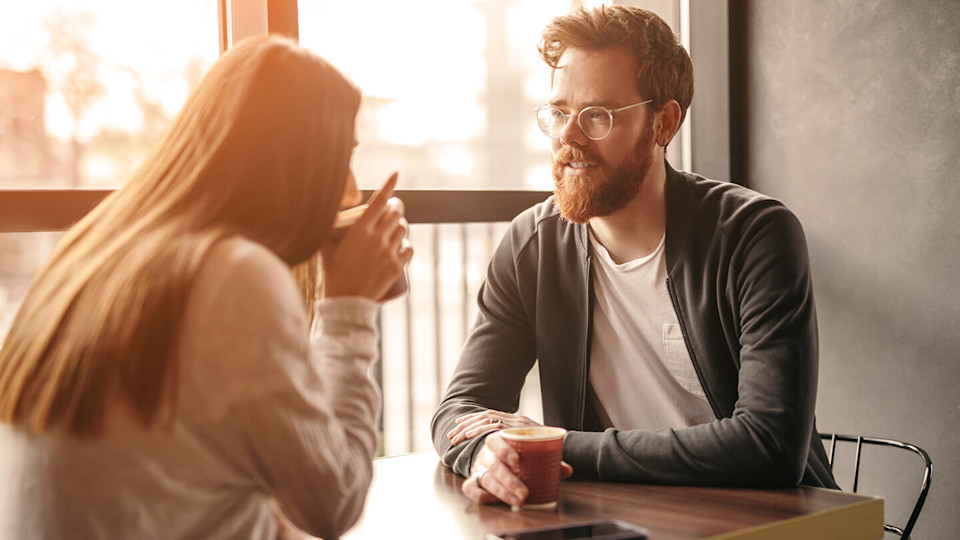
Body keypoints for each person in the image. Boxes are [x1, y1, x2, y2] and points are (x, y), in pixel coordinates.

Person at [0, 35, 412, 539]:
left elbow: (196, 476)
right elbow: (333, 504)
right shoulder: (235, 276)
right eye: (339, 157)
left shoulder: (98, 250)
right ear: (290, 162)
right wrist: (350, 309)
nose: (351, 189)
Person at [430, 5, 837, 509]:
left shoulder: (755, 236)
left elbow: (769, 445)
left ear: (664, 122)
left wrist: (555, 442)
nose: (568, 137)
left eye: (598, 115)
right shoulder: (531, 246)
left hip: (779, 523)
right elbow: (460, 411)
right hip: (635, 518)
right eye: (559, 112)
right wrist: (487, 454)